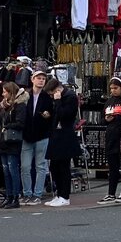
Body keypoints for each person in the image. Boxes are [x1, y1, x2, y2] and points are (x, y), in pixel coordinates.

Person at [43, 78, 79, 207]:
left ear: (57, 89)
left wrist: (57, 101)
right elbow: (57, 114)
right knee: (54, 166)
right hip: (56, 134)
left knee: (63, 167)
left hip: (65, 135)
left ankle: (65, 196)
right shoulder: (58, 98)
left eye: (52, 93)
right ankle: (59, 194)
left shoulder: (70, 97)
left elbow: (65, 115)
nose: (52, 96)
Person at [20, 69, 53, 206]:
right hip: (27, 135)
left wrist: (48, 115)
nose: (41, 80)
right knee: (25, 166)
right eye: (38, 78)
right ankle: (27, 193)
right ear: (32, 79)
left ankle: (37, 194)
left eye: (43, 79)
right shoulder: (25, 95)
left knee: (40, 166)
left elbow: (52, 114)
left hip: (42, 135)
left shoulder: (47, 97)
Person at [0, 82, 27, 209]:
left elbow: (21, 123)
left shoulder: (19, 105)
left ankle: (15, 196)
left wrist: (7, 126)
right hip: (3, 141)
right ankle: (8, 196)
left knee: (12, 169)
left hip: (12, 141)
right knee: (6, 170)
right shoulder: (6, 106)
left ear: (11, 93)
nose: (3, 94)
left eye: (5, 92)